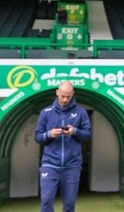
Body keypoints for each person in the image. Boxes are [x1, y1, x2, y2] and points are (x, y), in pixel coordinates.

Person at [34, 81, 91, 212]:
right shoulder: (46, 112)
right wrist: (49, 134)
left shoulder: (81, 112)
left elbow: (87, 135)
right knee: (46, 201)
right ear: (57, 92)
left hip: (72, 166)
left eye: (68, 96)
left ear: (72, 94)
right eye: (63, 96)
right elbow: (37, 137)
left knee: (69, 205)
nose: (65, 99)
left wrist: (74, 131)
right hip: (50, 164)